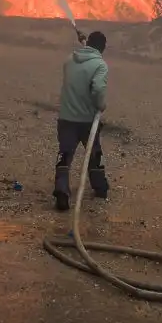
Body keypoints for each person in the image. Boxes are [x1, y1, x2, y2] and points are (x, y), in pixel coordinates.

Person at [53, 30, 110, 211]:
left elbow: (85, 58)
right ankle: (100, 188)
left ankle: (61, 189)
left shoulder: (70, 60)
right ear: (103, 48)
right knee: (94, 154)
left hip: (66, 117)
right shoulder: (100, 65)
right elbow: (98, 89)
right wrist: (100, 105)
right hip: (87, 120)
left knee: (65, 155)